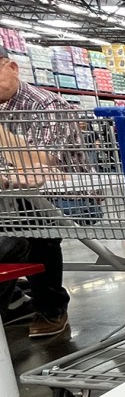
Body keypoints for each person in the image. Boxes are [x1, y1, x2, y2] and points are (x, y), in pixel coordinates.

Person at [0, 46, 79, 338]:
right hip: (8, 201)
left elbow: (38, 165)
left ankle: (51, 307)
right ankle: (15, 300)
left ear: (12, 67)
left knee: (31, 224)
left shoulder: (46, 106)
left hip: (68, 199)